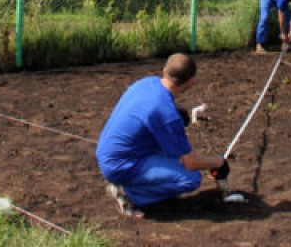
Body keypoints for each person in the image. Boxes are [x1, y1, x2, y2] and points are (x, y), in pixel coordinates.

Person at [95, 53, 229, 218]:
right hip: (122, 164)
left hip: (108, 151)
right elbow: (191, 162)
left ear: (165, 70)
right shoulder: (166, 115)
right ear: (190, 81)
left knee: (172, 154)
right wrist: (218, 162)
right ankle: (129, 194)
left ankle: (133, 184)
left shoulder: (146, 83)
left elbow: (149, 109)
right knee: (191, 178)